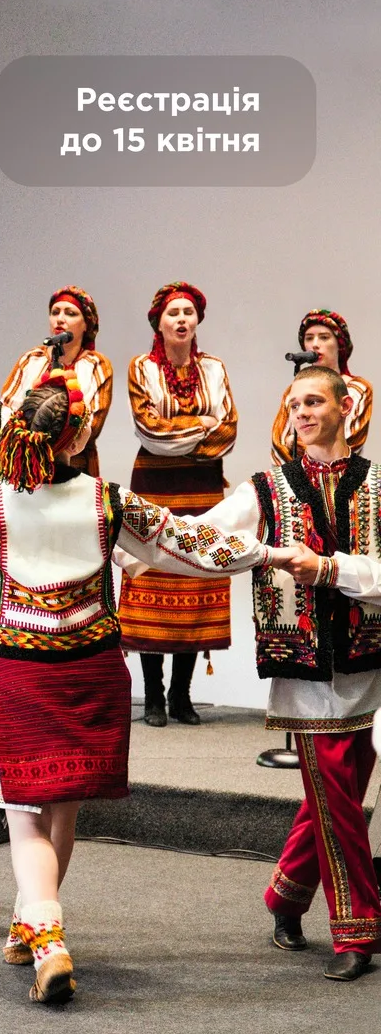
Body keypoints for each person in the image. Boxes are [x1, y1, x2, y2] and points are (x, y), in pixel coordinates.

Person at [0, 373, 284, 1003]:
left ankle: (49, 942)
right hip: (93, 672)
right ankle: (30, 923)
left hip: (20, 673)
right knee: (62, 811)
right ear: (77, 438)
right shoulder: (110, 501)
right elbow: (188, 546)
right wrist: (268, 554)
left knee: (23, 818)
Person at [196, 366, 381, 981]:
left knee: (342, 791)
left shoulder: (377, 485)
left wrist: (329, 569)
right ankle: (358, 928)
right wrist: (119, 537)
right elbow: (200, 538)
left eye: (313, 401)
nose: (301, 413)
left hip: (363, 665)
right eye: (294, 403)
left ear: (345, 407)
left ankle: (285, 893)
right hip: (301, 673)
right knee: (339, 800)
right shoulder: (266, 488)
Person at [120, 281, 237, 727]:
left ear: (197, 320)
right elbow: (150, 431)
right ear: (159, 322)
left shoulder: (215, 368)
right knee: (151, 575)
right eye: (174, 313)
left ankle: (181, 695)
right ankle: (152, 695)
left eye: (188, 312)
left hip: (203, 488)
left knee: (194, 580)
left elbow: (228, 431)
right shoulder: (141, 368)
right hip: (154, 485)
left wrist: (187, 432)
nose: (182, 319)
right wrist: (201, 425)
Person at [0, 285, 114, 476]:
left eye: (70, 313)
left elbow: (92, 424)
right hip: (30, 463)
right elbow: (7, 411)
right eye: (55, 312)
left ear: (87, 324)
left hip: (77, 465)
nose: (60, 319)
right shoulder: (31, 359)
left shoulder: (97, 364)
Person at [270, 309, 371, 466]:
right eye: (309, 338)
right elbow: (279, 441)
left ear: (339, 345)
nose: (315, 344)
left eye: (324, 337)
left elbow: (349, 441)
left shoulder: (357, 389)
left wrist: (294, 442)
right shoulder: (293, 391)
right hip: (293, 474)